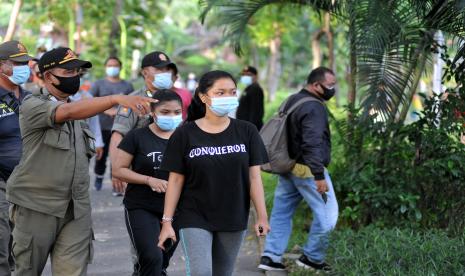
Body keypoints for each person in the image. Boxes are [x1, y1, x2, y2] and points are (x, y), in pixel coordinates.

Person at [6, 47, 154, 276]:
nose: (74, 76)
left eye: (77, 71)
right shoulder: (32, 104)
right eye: (67, 72)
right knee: (26, 271)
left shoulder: (81, 109)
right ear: (47, 77)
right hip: (37, 206)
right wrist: (115, 98)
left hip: (76, 208)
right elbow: (66, 112)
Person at [158, 70, 270, 276]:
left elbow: (254, 177)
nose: (227, 97)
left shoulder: (247, 131)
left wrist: (262, 216)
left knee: (223, 273)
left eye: (232, 92)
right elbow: (175, 181)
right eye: (220, 93)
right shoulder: (185, 133)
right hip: (194, 215)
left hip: (234, 215)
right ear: (203, 96)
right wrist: (167, 222)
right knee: (201, 272)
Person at [109, 50, 187, 274]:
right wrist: (117, 172)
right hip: (140, 179)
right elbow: (118, 135)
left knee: (160, 258)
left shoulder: (173, 100)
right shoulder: (134, 101)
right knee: (148, 255)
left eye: (167, 69)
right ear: (145, 72)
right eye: (159, 69)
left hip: (173, 193)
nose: (164, 73)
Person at [258, 67, 339, 273]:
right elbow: (311, 143)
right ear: (315, 85)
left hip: (289, 166)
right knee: (329, 217)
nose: (333, 89)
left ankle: (270, 257)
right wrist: (319, 175)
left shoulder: (293, 99)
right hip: (308, 170)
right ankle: (312, 258)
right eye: (329, 85)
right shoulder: (314, 107)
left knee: (281, 213)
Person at [0, 40, 33, 275]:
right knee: (1, 242)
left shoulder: (31, 99)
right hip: (1, 181)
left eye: (26, 62)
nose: (24, 67)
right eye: (17, 63)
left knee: (21, 248)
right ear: (1, 66)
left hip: (29, 183)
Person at [90, 56, 134, 191]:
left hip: (121, 128)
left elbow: (131, 103)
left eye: (115, 65)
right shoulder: (98, 84)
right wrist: (107, 110)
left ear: (120, 67)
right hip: (102, 126)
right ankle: (98, 177)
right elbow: (91, 102)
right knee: (101, 156)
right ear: (105, 67)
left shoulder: (127, 85)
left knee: (118, 156)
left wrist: (120, 111)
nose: (112, 68)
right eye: (109, 65)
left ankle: (117, 183)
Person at [236, 66, 265, 130]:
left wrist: (250, 129)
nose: (245, 77)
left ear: (255, 76)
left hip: (249, 128)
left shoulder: (255, 89)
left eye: (249, 75)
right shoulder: (249, 88)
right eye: (244, 75)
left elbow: (256, 112)